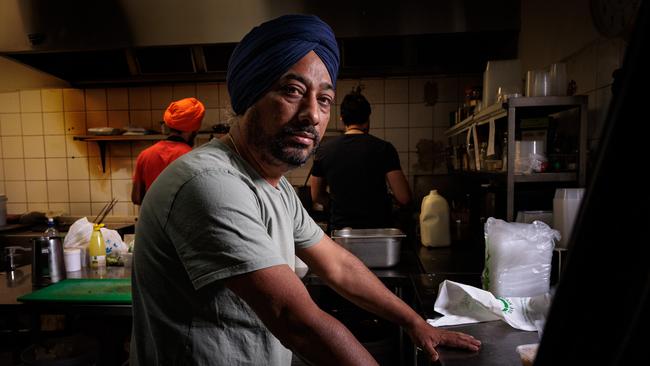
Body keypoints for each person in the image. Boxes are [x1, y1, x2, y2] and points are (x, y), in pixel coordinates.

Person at [131, 14, 480, 366]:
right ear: (249, 95)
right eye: (292, 90)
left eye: (324, 99)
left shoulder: (275, 186)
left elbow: (338, 266)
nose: (313, 114)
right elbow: (293, 318)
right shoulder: (208, 183)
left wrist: (414, 322)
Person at [310, 88, 412, 231]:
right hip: (378, 232)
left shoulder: (324, 151)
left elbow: (316, 196)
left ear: (342, 119)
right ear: (368, 118)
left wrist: (340, 204)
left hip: (341, 233)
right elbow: (404, 197)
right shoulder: (384, 149)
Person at [131, 97, 205, 205]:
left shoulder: (145, 155)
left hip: (151, 220)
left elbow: (136, 198)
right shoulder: (193, 157)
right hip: (181, 221)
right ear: (194, 129)